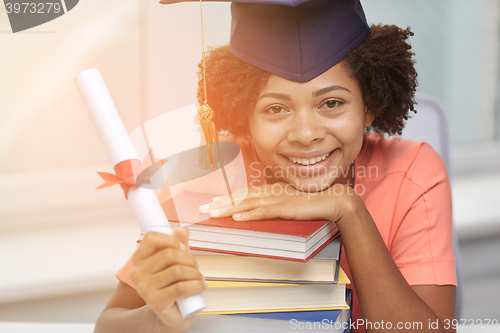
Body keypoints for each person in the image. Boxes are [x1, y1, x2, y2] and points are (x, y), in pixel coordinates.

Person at [94, 1, 457, 332]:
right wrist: (158, 320)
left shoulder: (411, 171)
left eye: (331, 103)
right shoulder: (213, 180)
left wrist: (349, 209)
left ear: (370, 105)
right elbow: (108, 324)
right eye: (275, 109)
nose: (305, 134)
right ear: (242, 118)